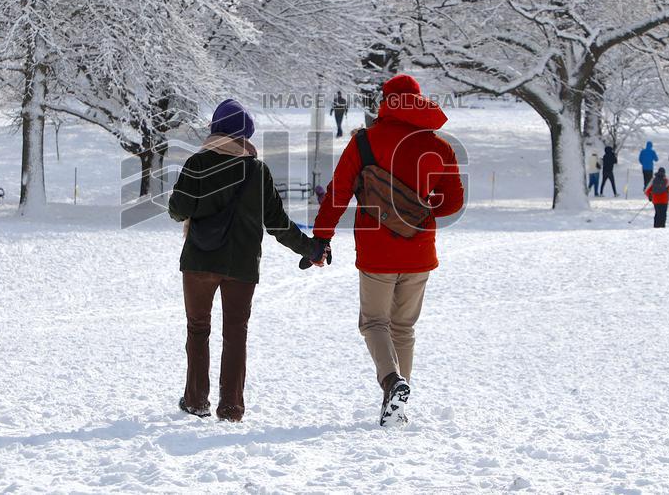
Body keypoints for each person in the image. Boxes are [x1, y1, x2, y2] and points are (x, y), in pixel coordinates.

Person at [313, 74, 464, 427]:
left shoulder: (365, 143)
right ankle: (397, 405)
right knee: (403, 328)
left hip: (377, 250)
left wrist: (321, 238)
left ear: (386, 100)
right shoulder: (439, 147)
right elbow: (453, 202)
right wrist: (419, 210)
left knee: (374, 322)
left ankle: (391, 382)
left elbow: (338, 193)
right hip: (420, 251)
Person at [167, 99, 328, 423]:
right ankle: (231, 408)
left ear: (215, 129)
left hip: (199, 260)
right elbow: (278, 223)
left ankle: (196, 400)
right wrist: (310, 250)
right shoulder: (257, 171)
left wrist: (201, 203)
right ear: (246, 135)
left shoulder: (198, 164)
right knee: (235, 333)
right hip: (241, 266)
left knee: (198, 329)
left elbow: (177, 210)